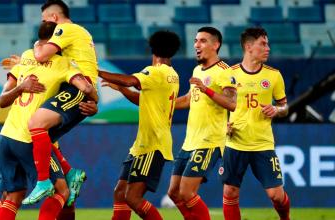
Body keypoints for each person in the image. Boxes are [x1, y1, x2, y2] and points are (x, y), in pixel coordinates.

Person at [0, 21, 97, 220]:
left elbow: (2, 101)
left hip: (6, 136)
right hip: (29, 140)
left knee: (13, 195)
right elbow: (85, 88)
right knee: (62, 192)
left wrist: (20, 88)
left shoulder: (25, 58)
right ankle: (64, 174)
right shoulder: (64, 64)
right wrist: (95, 101)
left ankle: (68, 172)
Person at [24, 0, 99, 204]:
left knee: (36, 123)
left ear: (54, 18)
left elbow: (40, 56)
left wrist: (35, 46)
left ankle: (43, 182)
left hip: (78, 86)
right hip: (79, 86)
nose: (44, 24)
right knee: (41, 135)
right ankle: (69, 172)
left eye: (44, 19)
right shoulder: (81, 33)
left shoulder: (65, 29)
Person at [100, 30, 180, 220]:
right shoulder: (172, 75)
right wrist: (120, 88)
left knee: (132, 198)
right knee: (120, 192)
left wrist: (94, 71)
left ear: (152, 48)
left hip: (152, 144)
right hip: (143, 144)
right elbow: (141, 99)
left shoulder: (155, 71)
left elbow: (130, 81)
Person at [166, 27, 237, 220]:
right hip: (190, 141)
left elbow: (232, 103)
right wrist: (164, 104)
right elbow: (189, 99)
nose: (196, 45)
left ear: (216, 45)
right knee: (174, 193)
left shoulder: (224, 71)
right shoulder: (197, 69)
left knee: (187, 193)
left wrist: (207, 90)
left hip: (209, 142)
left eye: (203, 41)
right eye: (196, 41)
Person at [220, 27, 290, 220]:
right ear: (249, 47)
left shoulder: (274, 75)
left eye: (267, 43)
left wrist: (276, 110)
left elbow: (285, 107)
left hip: (263, 143)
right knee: (230, 192)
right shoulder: (230, 74)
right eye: (263, 43)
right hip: (235, 143)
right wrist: (222, 125)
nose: (268, 48)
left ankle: (285, 218)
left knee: (276, 195)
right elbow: (217, 107)